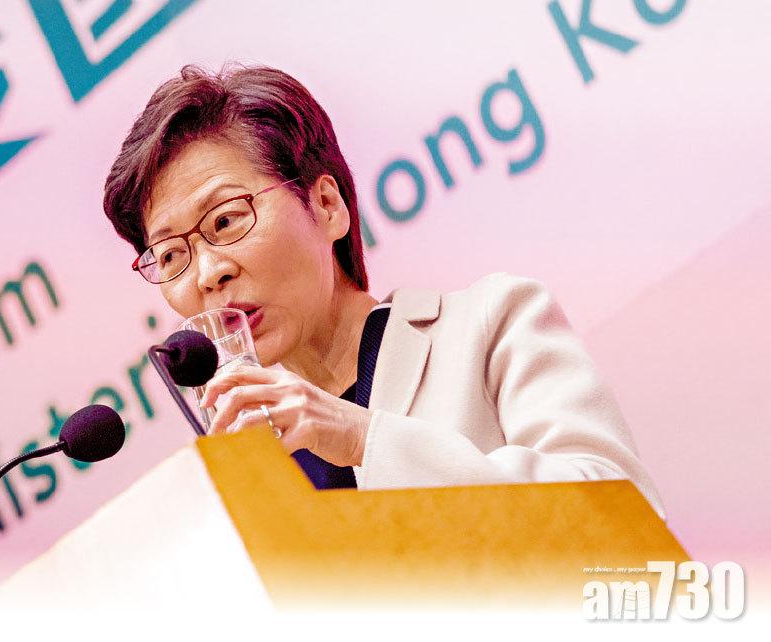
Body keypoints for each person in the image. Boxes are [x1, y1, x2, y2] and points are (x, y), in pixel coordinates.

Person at [101, 64, 664, 517]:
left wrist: (362, 438)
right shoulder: (235, 471)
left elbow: (625, 513)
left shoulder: (493, 324)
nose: (206, 274)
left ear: (326, 206)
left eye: (225, 221)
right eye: (170, 255)